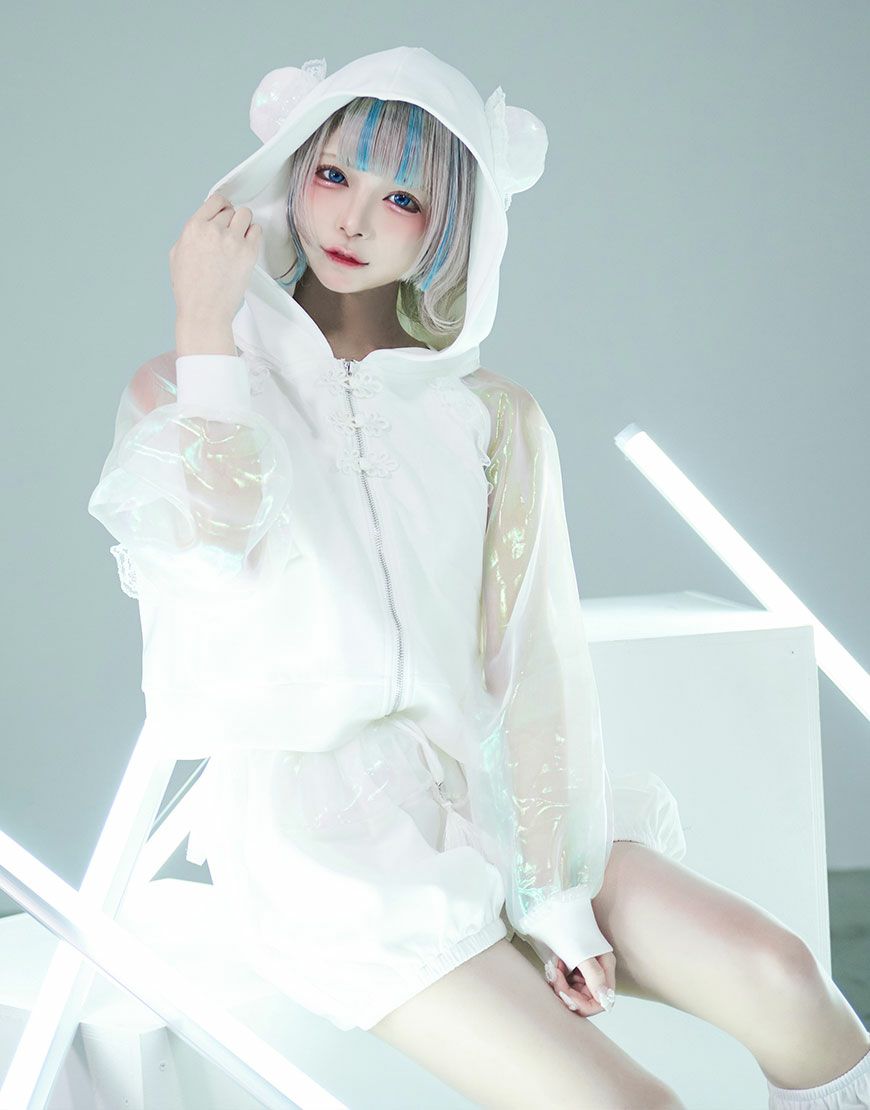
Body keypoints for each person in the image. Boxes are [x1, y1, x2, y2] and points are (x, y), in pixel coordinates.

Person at [88, 46, 869, 1109]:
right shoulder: (191, 385)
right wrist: (203, 323)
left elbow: (528, 664)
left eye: (402, 197)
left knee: (785, 979)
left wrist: (554, 893)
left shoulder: (490, 416)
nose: (353, 218)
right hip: (326, 842)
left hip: (489, 793)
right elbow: (216, 548)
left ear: (451, 232)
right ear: (289, 177)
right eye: (334, 174)